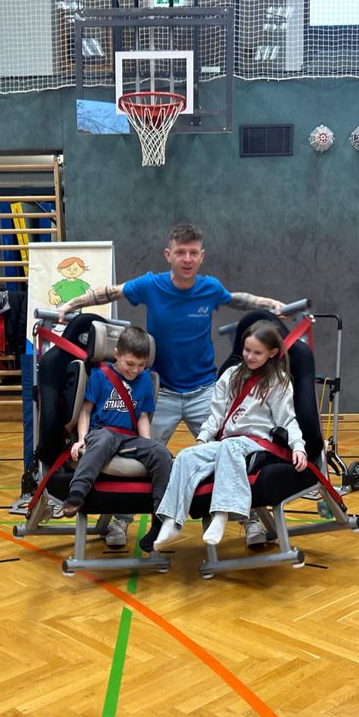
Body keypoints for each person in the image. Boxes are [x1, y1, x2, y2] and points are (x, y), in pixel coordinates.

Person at [58, 222, 285, 548]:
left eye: (194, 252)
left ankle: (249, 520)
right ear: (169, 255)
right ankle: (121, 521)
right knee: (138, 455)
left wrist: (271, 304)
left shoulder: (209, 288)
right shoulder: (151, 285)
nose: (188, 258)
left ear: (201, 256)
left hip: (204, 390)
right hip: (159, 391)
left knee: (228, 452)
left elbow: (237, 299)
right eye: (181, 252)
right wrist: (70, 305)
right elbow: (111, 291)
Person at [152, 320, 308, 550]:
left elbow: (288, 420)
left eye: (258, 353)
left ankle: (222, 514)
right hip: (228, 442)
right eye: (247, 350)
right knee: (186, 456)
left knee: (230, 447)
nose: (250, 356)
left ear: (272, 353)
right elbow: (215, 416)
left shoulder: (278, 381)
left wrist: (298, 446)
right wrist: (202, 440)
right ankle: (172, 521)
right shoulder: (231, 376)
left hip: (258, 444)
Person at [60, 326, 172, 550]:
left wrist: (148, 444)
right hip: (103, 431)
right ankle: (77, 493)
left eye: (141, 365)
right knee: (102, 441)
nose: (135, 370)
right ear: (117, 354)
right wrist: (82, 439)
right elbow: (86, 410)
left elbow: (142, 417)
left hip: (129, 438)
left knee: (161, 453)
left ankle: (160, 519)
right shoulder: (101, 375)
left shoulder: (145, 381)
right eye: (130, 364)